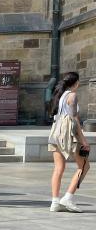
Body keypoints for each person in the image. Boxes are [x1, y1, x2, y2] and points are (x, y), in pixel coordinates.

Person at [49, 72, 91, 212]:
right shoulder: (72, 95)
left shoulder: (59, 95)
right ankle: (68, 197)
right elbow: (74, 118)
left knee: (58, 168)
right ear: (76, 83)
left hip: (56, 132)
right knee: (84, 166)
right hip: (68, 133)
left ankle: (55, 202)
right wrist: (83, 140)